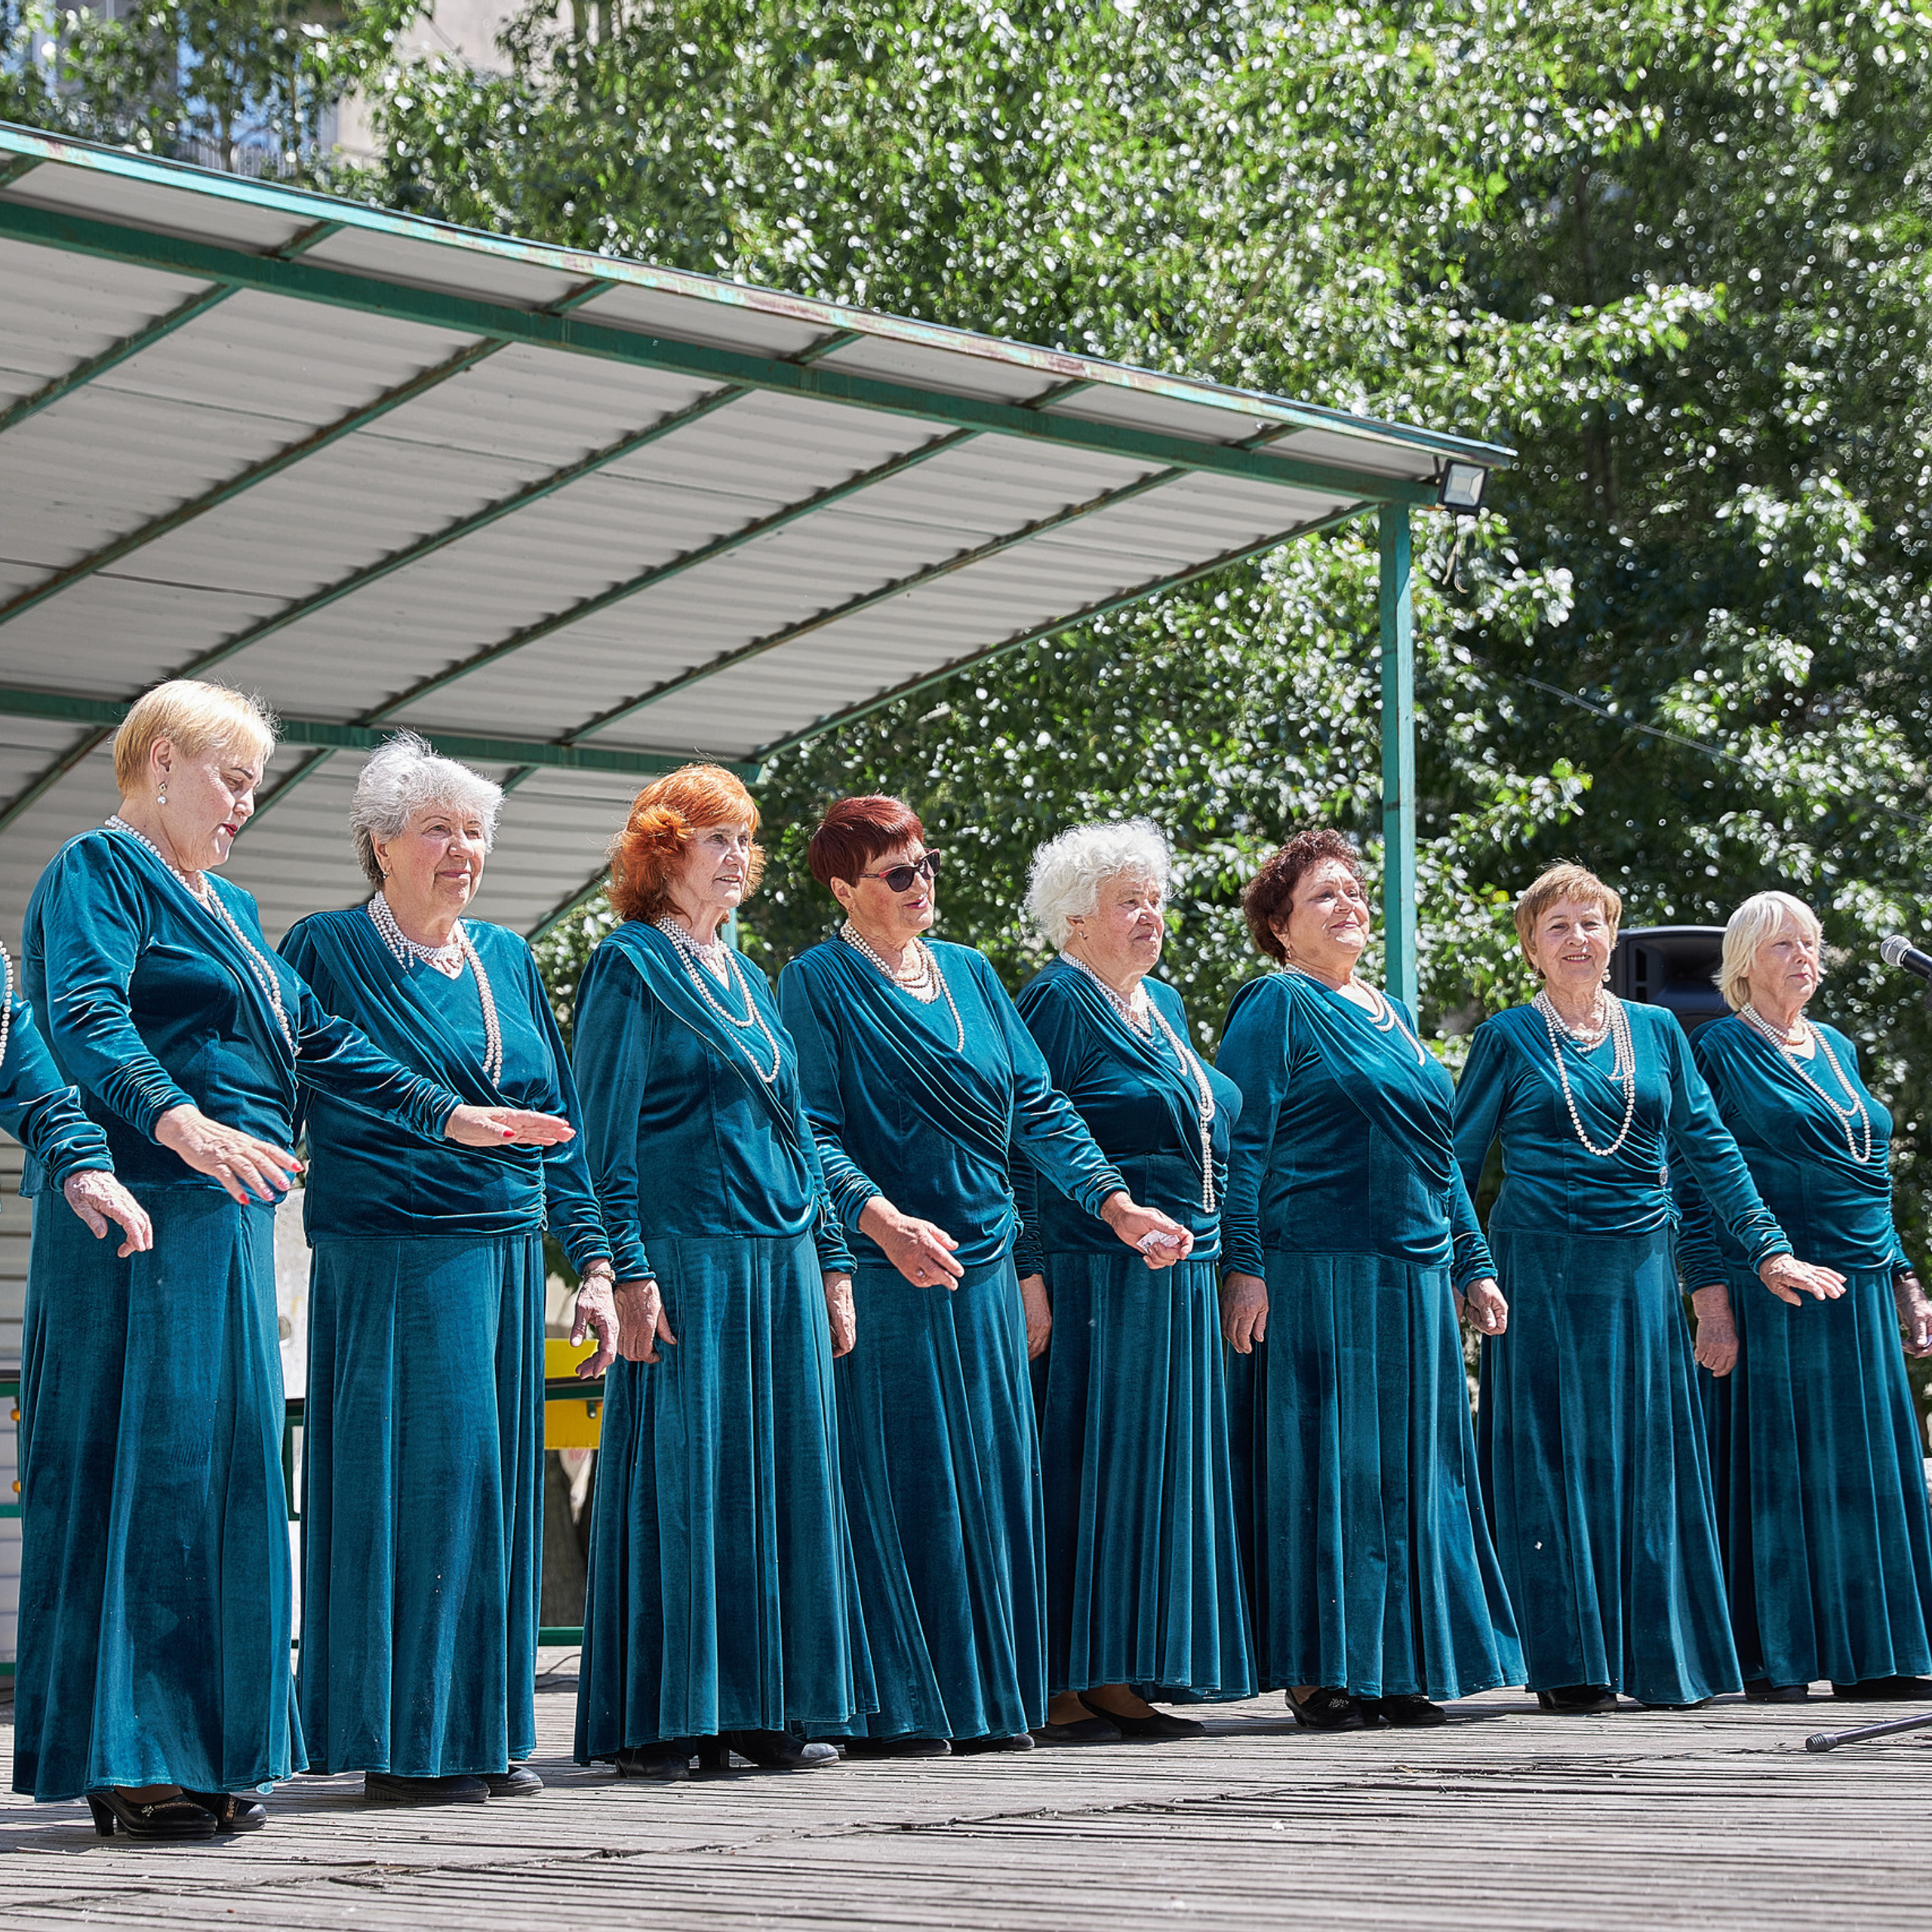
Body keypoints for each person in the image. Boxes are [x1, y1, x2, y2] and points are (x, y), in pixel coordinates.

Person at [14, 679, 577, 1840]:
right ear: (160, 762)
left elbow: (318, 1039)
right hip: (144, 1215)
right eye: (231, 780)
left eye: (255, 787)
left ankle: (214, 1750)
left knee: (227, 1482)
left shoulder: (223, 901)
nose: (245, 805)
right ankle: (135, 1757)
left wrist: (448, 1114)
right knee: (153, 1473)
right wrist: (178, 1118)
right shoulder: (96, 870)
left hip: (224, 1219)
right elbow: (83, 1016)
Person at [778, 795, 1193, 1756]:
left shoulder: (968, 971)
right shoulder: (815, 980)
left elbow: (1037, 1107)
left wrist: (1115, 1204)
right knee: (903, 1482)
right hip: (891, 1267)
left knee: (991, 1486)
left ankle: (984, 1703)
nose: (919, 884)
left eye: (924, 865)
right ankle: (897, 1709)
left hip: (985, 1263)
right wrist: (879, 1221)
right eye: (896, 873)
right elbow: (811, 1130)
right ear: (843, 889)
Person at [279, 733, 620, 1805]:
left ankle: (477, 1732)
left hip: (506, 1258)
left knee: (489, 1497)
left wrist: (596, 1265)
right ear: (381, 845)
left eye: (475, 831)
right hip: (392, 1256)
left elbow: (558, 1126)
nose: (462, 849)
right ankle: (399, 1741)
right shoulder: (326, 946)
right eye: (438, 829)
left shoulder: (506, 958)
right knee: (411, 1492)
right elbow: (295, 1075)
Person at [1452, 862, 1844, 1714]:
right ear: (1531, 948)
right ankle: (1570, 1666)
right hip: (1540, 1270)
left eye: (1592, 922)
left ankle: (1660, 1659)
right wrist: (1469, 1263)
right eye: (1557, 926)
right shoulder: (1507, 1037)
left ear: (1613, 937)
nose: (1578, 939)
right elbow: (1456, 1162)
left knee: (1645, 1459)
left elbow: (1711, 1149)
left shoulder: (1659, 1031)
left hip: (1638, 1268)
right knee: (1553, 1460)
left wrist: (1768, 1250)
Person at [572, 765, 870, 1782]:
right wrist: (627, 1267)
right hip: (686, 1257)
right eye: (716, 839)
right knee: (689, 1480)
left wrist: (833, 1260)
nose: (738, 857)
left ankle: (763, 1700)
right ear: (663, 853)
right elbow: (601, 1136)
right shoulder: (629, 964)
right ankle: (675, 1709)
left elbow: (799, 1135)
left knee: (780, 1479)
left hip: (780, 1258)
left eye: (745, 840)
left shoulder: (747, 974)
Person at [1217, 829, 1521, 1730]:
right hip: (1319, 1272)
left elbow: (1439, 1157)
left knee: (1413, 1477)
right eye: (1323, 894)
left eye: (1353, 890)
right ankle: (1324, 1670)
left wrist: (1473, 1263)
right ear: (1280, 926)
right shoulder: (1276, 1003)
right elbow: (1242, 1146)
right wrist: (1243, 1266)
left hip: (1414, 1280)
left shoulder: (1392, 1012)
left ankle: (1398, 1666)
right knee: (1333, 1471)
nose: (1348, 903)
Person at [1014, 820, 1253, 1743]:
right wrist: (1031, 1272)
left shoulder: (1163, 1005)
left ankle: (1116, 1669)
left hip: (1176, 1276)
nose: (1150, 915)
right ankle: (1060, 1682)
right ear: (1075, 918)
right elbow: (1021, 1143)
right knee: (1087, 1470)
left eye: (1155, 899)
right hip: (1093, 1273)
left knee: (1149, 1482)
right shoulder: (1056, 1000)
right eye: (1128, 902)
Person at [1679, 891, 1932, 1703]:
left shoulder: (1837, 1047)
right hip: (1772, 1286)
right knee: (1781, 1475)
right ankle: (1775, 1657)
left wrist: (1905, 1279)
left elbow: (1868, 1181)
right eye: (1785, 944)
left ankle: (1877, 1655)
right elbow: (1692, 1180)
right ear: (1744, 959)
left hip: (1860, 1290)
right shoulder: (1718, 1047)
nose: (1805, 958)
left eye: (1813, 944)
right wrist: (1710, 1299)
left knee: (1865, 1473)